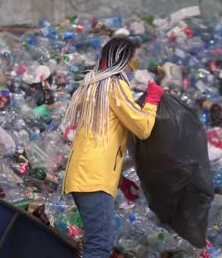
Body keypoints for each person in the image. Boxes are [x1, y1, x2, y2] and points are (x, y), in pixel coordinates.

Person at [61, 37, 164, 257]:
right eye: (134, 61)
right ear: (124, 59)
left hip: (85, 174)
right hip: (93, 179)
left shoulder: (95, 84)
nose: (135, 66)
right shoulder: (115, 85)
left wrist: (119, 177)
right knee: (99, 247)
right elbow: (143, 127)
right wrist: (152, 101)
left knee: (95, 244)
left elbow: (104, 135)